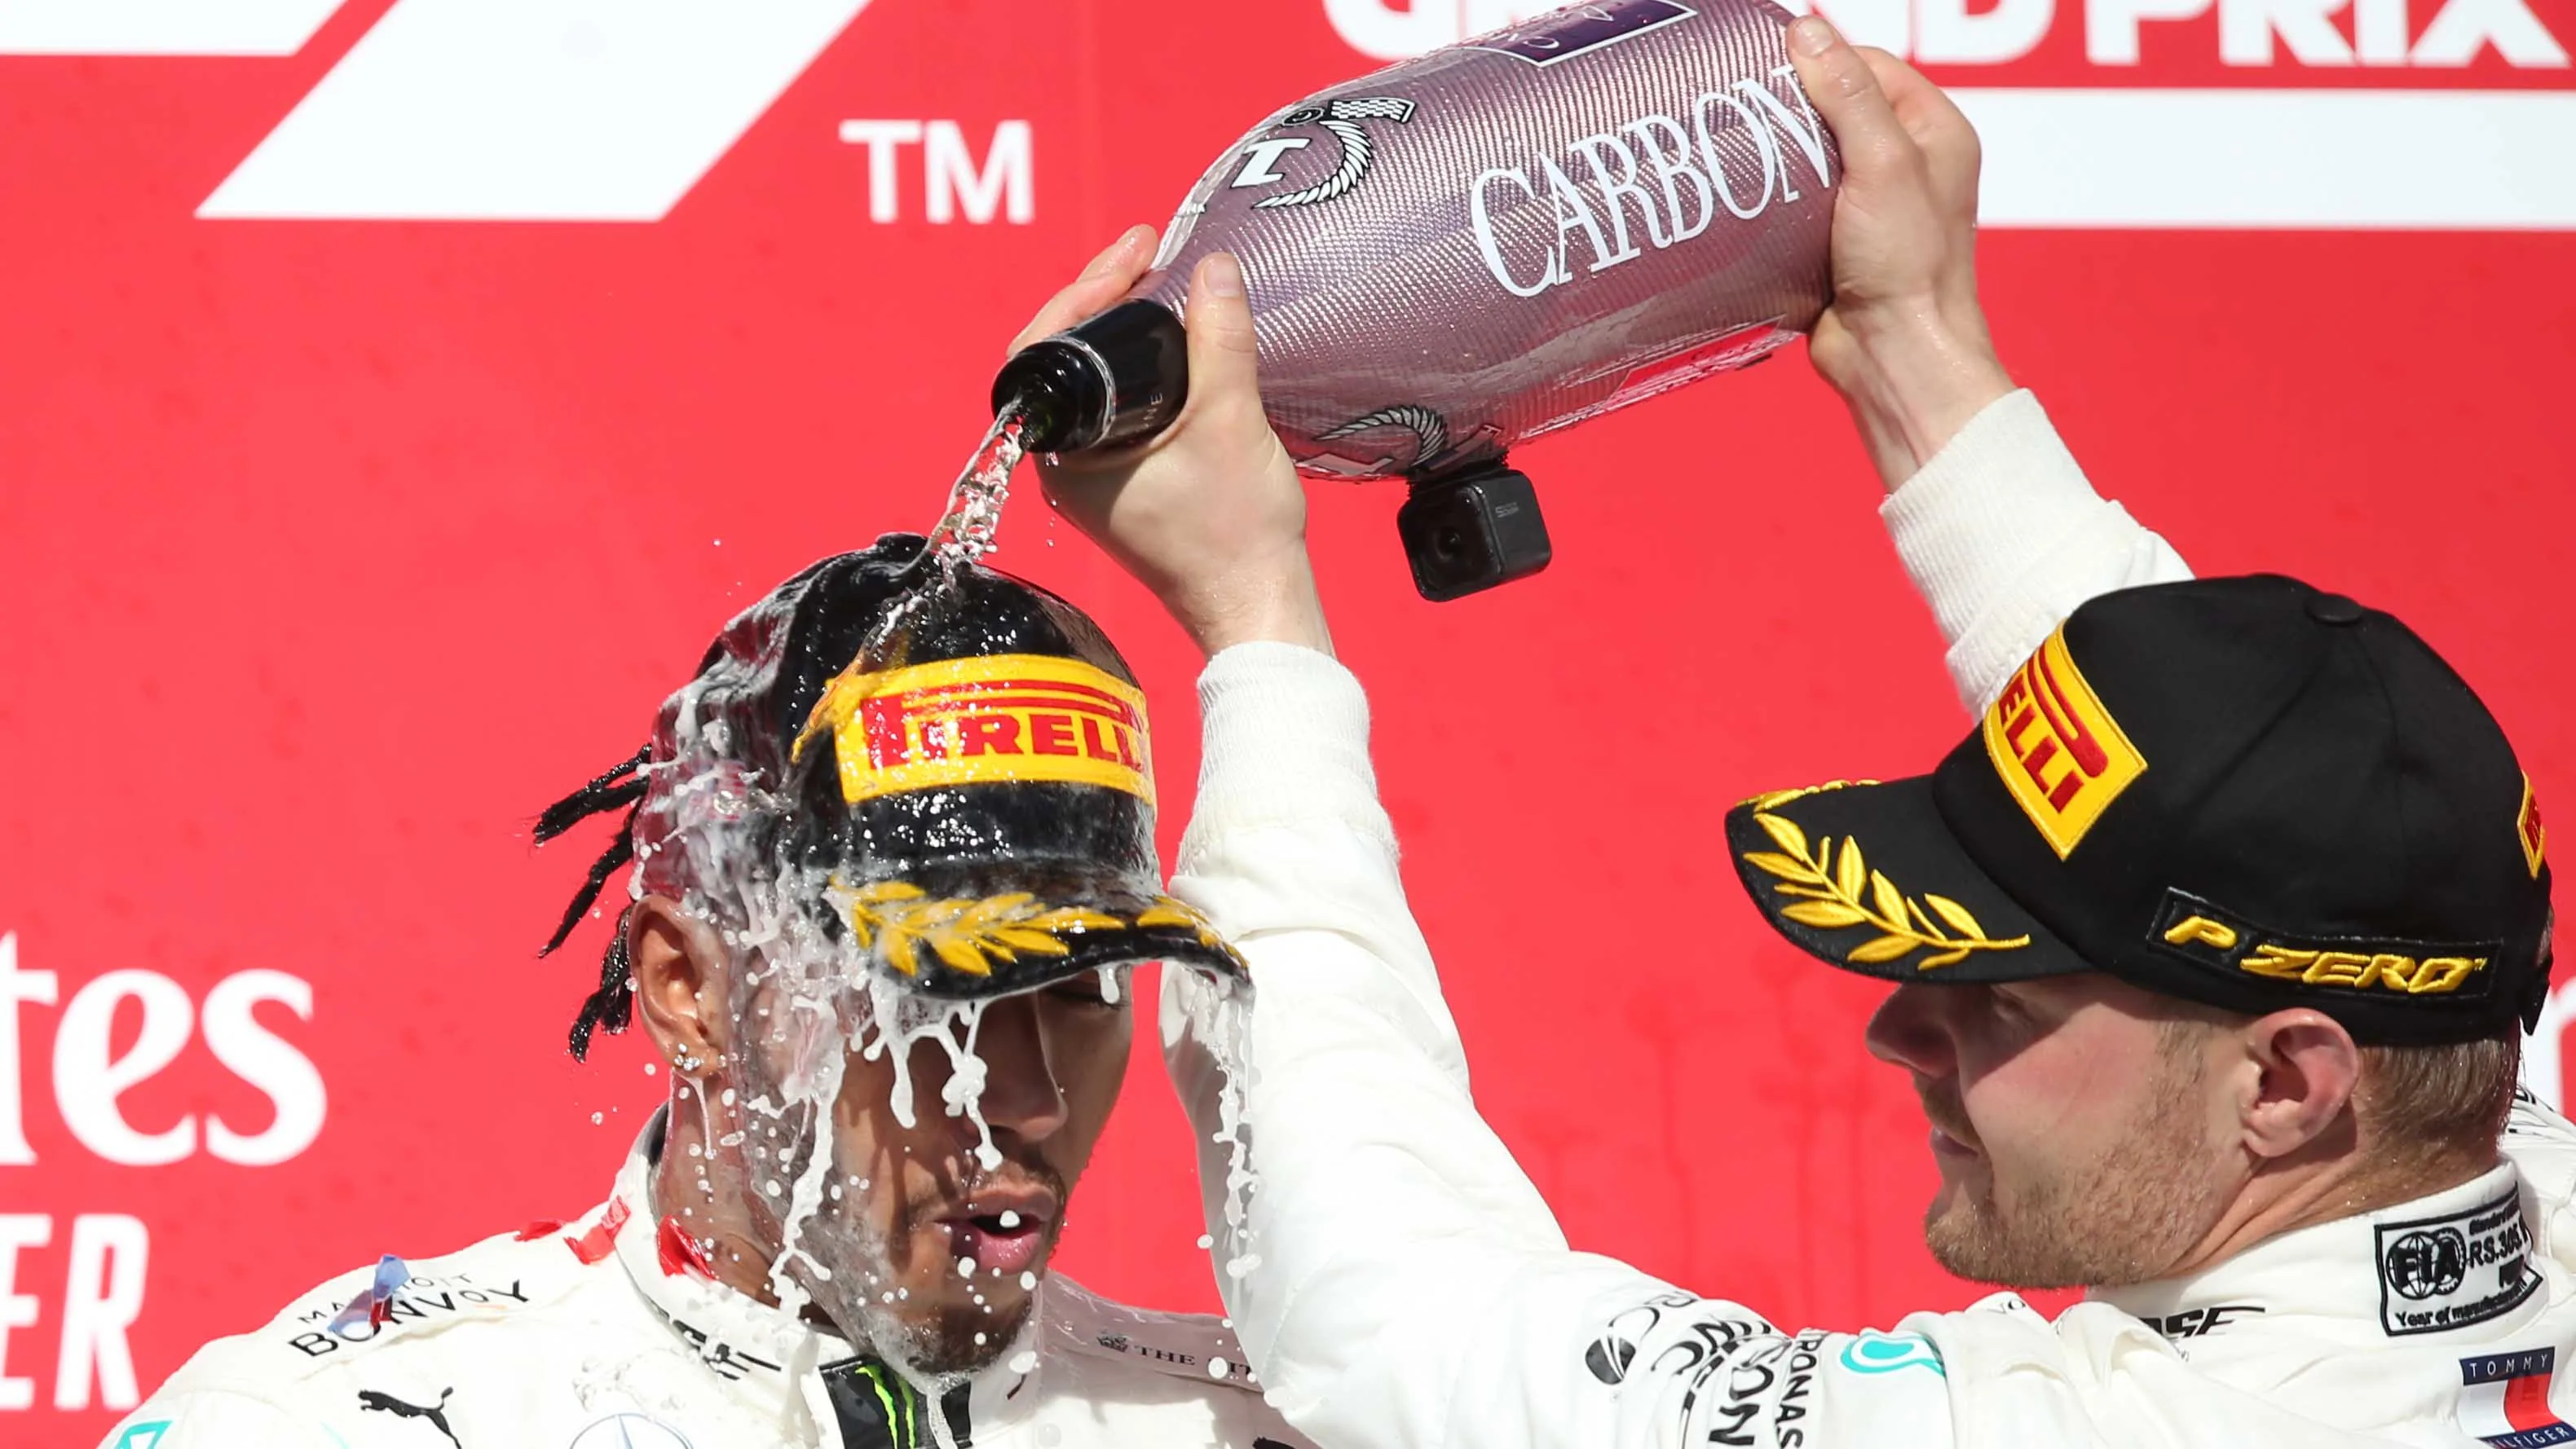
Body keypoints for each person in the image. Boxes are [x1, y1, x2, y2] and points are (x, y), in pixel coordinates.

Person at [1025, 16, 2572, 1449]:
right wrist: (1917, 351)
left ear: (2288, 1085)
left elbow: (1400, 1326)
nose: (1900, 1028)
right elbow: (2207, 788)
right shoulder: (2494, 1152)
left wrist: (1254, 627)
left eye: (2000, 1000)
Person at [101, 539, 1316, 1449]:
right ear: (688, 989)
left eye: (1084, 987)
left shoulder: (1239, 1427)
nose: (1031, 1099)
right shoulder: (334, 1422)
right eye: (932, 1000)